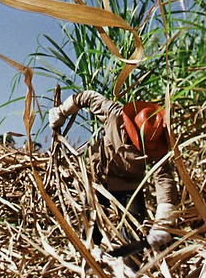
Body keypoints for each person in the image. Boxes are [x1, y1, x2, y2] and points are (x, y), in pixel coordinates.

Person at [48, 90, 179, 252]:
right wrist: (62, 111)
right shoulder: (114, 115)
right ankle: (88, 256)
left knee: (134, 230)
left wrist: (163, 222)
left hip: (129, 186)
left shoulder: (155, 147)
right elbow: (86, 97)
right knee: (91, 223)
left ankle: (131, 267)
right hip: (98, 178)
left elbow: (164, 178)